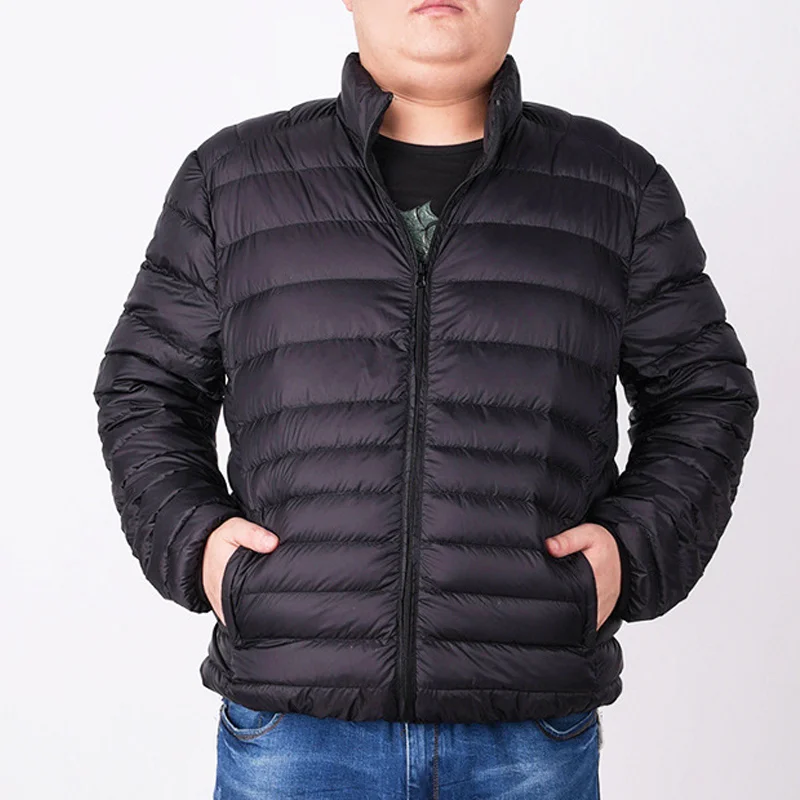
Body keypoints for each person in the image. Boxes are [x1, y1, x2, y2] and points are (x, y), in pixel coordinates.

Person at [92, 1, 759, 797]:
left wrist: (631, 551)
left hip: (528, 729)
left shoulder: (615, 187)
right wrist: (200, 545)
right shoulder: (232, 182)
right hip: (295, 726)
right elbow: (146, 388)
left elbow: (703, 392)